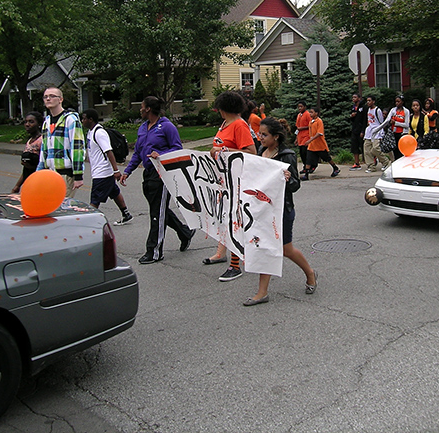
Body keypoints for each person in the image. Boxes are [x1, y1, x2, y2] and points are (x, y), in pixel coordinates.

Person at [243, 118, 318, 306]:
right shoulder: (261, 151)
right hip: (263, 210)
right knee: (265, 247)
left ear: (276, 137)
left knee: (286, 249)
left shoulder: (287, 155)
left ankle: (310, 273)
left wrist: (287, 178)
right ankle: (262, 292)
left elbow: (295, 185)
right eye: (260, 134)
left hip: (282, 210)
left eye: (264, 134)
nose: (260, 137)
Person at [119, 96, 195, 264]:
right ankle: (185, 232)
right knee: (158, 209)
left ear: (148, 109)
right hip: (148, 173)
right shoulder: (143, 128)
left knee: (156, 213)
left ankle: (154, 251)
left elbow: (177, 149)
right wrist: (128, 171)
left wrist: (161, 155)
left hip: (162, 174)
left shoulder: (167, 127)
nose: (140, 109)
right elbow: (138, 152)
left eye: (142, 106)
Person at [204, 91, 257, 281]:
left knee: (234, 221)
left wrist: (224, 150)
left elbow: (251, 152)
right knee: (223, 217)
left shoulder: (240, 125)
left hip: (236, 181)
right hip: (222, 180)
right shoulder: (225, 124)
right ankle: (221, 253)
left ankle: (236, 265)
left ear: (223, 108)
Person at [81, 109, 133, 225]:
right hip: (99, 171)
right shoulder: (90, 132)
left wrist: (116, 170)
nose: (82, 121)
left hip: (102, 172)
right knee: (114, 192)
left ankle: (90, 222)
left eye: (84, 118)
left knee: (95, 199)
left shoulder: (99, 133)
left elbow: (109, 152)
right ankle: (126, 213)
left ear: (91, 119)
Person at [37, 87, 85, 197]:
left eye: (52, 96)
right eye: (46, 97)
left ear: (60, 99)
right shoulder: (47, 122)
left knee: (62, 207)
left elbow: (77, 148)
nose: (48, 99)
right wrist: (39, 172)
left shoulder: (70, 120)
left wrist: (78, 175)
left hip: (65, 173)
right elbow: (44, 149)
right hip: (50, 173)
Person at [301, 108, 340, 180]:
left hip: (319, 145)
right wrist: (309, 141)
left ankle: (335, 168)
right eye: (310, 112)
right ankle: (306, 174)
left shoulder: (319, 121)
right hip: (312, 145)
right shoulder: (311, 122)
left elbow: (319, 133)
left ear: (317, 113)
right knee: (308, 159)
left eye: (312, 112)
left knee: (327, 158)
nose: (310, 114)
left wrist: (310, 140)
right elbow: (310, 133)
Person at [11, 111, 43, 193]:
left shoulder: (42, 141)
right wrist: (17, 185)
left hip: (40, 182)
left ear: (39, 124)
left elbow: (45, 165)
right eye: (26, 122)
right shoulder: (29, 142)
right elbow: (26, 169)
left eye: (31, 122)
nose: (27, 124)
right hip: (29, 182)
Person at [375, 95, 410, 159]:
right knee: (395, 151)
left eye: (398, 101)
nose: (397, 103)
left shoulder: (406, 111)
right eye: (396, 101)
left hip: (402, 134)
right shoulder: (393, 110)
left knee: (401, 151)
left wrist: (396, 123)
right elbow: (387, 120)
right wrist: (378, 129)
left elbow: (406, 125)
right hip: (394, 133)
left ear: (402, 102)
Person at [363, 95, 390, 173]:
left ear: (373, 101)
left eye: (369, 101)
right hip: (369, 132)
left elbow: (381, 122)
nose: (368, 102)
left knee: (375, 148)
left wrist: (381, 134)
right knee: (367, 149)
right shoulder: (368, 110)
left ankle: (386, 162)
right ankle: (371, 166)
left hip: (377, 131)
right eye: (367, 101)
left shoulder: (377, 110)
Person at [349, 93, 368, 170]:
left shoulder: (364, 107)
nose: (353, 99)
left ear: (359, 98)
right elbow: (352, 120)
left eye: (355, 97)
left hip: (361, 129)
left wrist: (363, 131)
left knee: (364, 146)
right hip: (355, 129)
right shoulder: (353, 107)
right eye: (352, 97)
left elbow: (364, 120)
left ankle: (370, 161)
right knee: (354, 146)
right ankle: (357, 163)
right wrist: (352, 116)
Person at [295, 101, 311, 173]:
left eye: (301, 106)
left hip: (306, 136)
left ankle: (308, 167)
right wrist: (296, 138)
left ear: (305, 107)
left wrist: (302, 128)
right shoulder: (299, 115)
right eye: (299, 107)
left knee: (305, 152)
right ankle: (305, 166)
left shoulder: (307, 114)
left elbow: (310, 125)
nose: (300, 108)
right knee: (301, 153)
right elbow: (297, 127)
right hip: (300, 137)